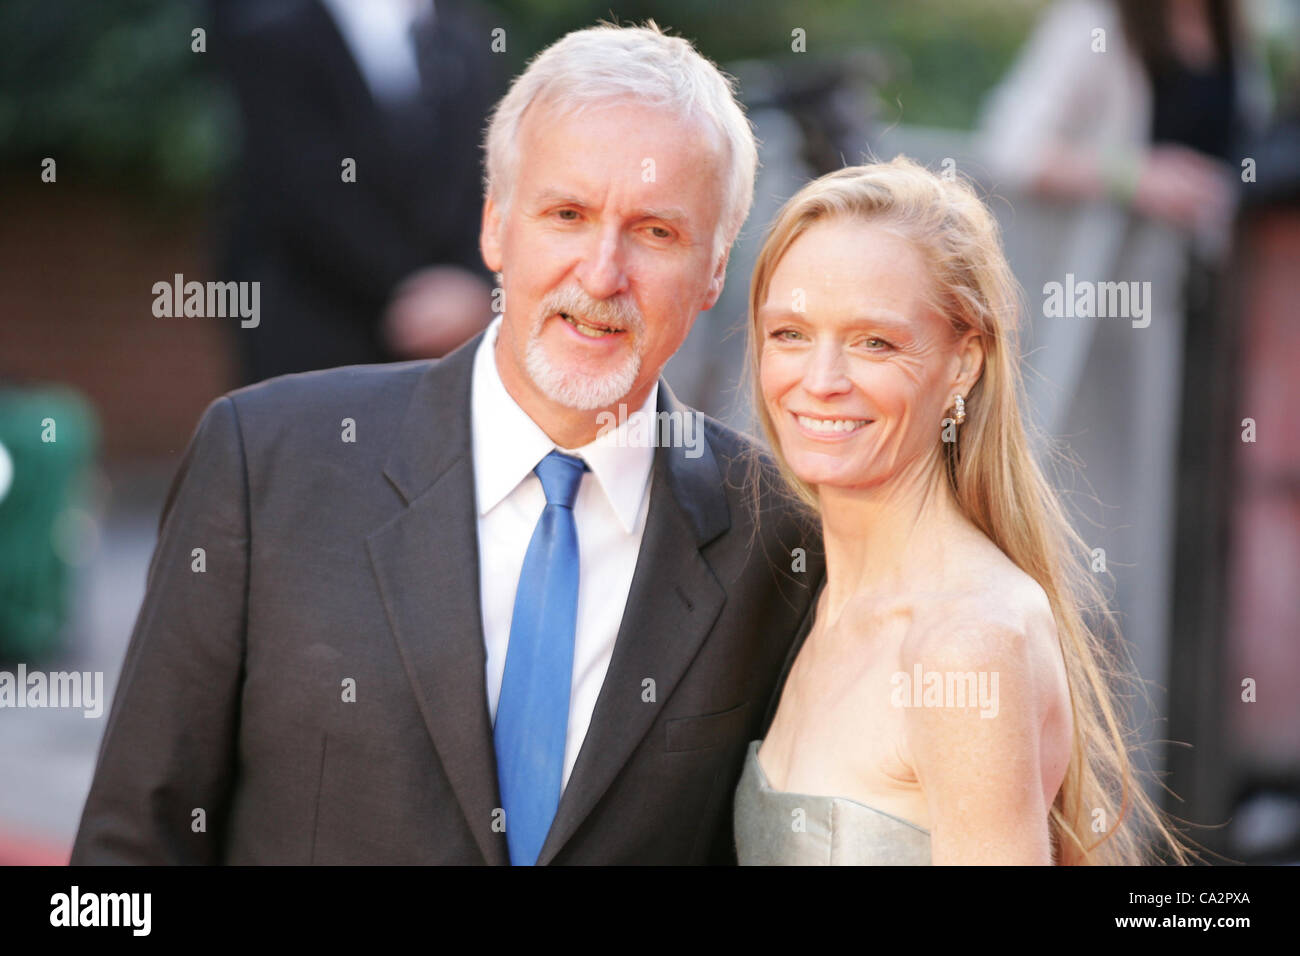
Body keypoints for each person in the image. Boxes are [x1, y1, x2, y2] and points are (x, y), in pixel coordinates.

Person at [70, 21, 823, 866]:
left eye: (656, 232)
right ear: (496, 227)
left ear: (716, 269)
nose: (602, 274)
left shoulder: (777, 533)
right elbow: (127, 851)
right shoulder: (265, 462)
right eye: (567, 214)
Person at [733, 157, 1193, 865]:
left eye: (873, 342)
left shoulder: (967, 643)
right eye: (790, 334)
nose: (820, 381)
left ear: (963, 362)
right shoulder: (816, 602)